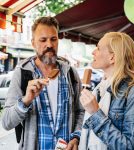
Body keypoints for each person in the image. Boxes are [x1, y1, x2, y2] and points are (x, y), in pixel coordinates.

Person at [2, 16, 84, 150]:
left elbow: (80, 111)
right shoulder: (22, 73)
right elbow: (6, 122)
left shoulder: (70, 73)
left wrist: (76, 136)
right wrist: (26, 100)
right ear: (33, 43)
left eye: (53, 39)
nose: (49, 45)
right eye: (43, 40)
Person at [79, 32, 134, 150]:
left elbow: (131, 148)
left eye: (98, 48)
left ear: (113, 57)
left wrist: (96, 113)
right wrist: (76, 138)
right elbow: (90, 130)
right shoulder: (100, 89)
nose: (93, 52)